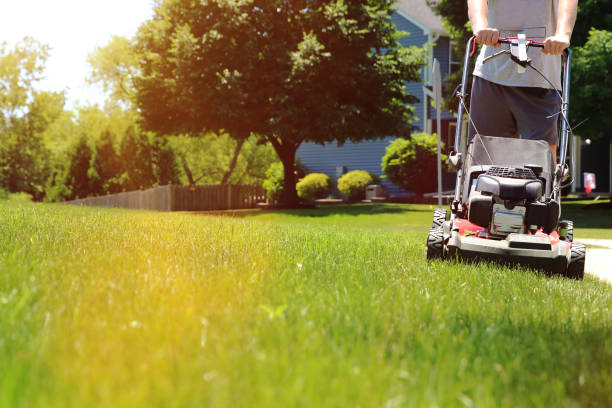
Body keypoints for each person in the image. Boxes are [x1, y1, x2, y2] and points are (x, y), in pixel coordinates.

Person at [467, 0, 578, 163]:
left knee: (542, 164)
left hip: (539, 79)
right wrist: (480, 27)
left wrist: (563, 34)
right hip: (491, 76)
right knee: (482, 160)